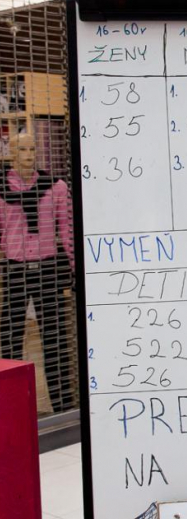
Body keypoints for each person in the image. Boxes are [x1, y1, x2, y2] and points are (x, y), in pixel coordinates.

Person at [0, 133, 74, 413]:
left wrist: (73, 270)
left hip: (47, 268)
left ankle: (64, 406)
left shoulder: (55, 187)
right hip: (15, 270)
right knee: (10, 341)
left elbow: (67, 230)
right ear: (12, 151)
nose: (29, 153)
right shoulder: (2, 188)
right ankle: (11, 410)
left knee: (55, 340)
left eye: (32, 148)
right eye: (22, 148)